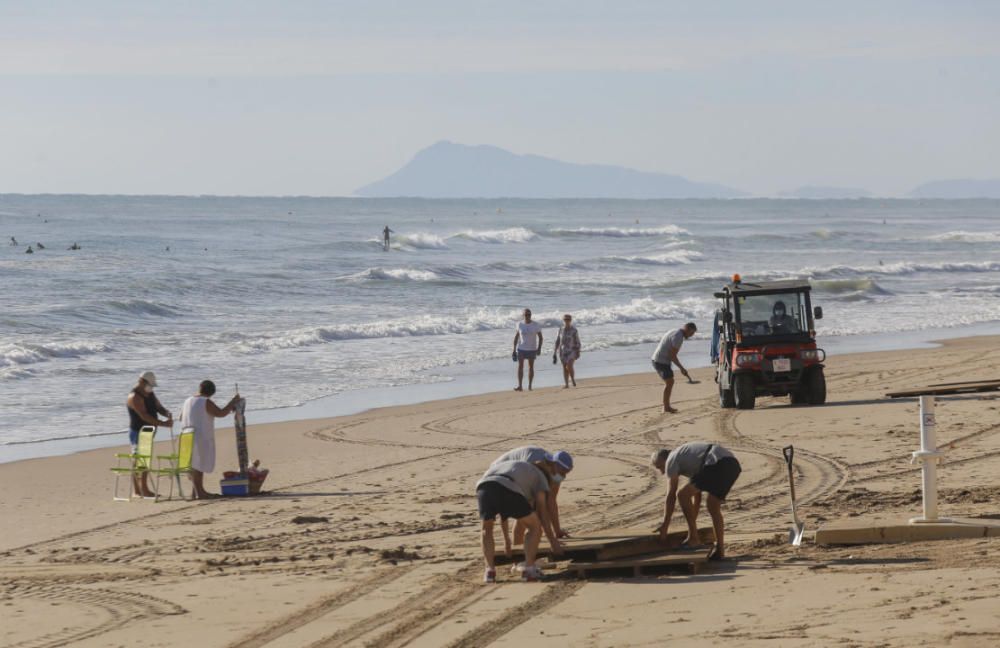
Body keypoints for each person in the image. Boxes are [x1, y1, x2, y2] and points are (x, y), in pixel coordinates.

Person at [651, 442, 741, 560]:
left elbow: (671, 495)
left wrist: (665, 525)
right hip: (732, 465)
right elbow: (696, 496)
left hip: (716, 462)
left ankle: (693, 539)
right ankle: (720, 551)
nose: (663, 472)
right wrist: (692, 523)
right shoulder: (687, 458)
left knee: (681, 494)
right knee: (712, 506)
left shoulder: (671, 459)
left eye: (660, 467)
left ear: (664, 459)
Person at [476, 459, 563, 583]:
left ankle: (489, 571)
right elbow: (543, 512)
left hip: (483, 486)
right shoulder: (540, 477)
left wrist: (507, 541)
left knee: (486, 529)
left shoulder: (515, 468)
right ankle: (529, 569)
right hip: (507, 487)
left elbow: (503, 512)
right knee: (535, 527)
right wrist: (553, 541)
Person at [492, 447, 574, 547]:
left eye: (566, 473)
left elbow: (551, 501)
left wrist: (557, 530)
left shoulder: (555, 473)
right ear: (554, 464)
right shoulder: (532, 465)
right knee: (525, 514)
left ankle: (527, 555)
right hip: (500, 473)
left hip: (519, 475)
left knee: (536, 512)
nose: (563, 476)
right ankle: (519, 555)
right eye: (562, 472)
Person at [180, 380, 241, 499]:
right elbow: (221, 413)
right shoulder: (205, 401)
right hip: (199, 435)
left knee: (193, 463)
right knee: (198, 465)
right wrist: (233, 401)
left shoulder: (187, 400)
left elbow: (181, 417)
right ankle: (200, 492)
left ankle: (196, 491)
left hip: (186, 434)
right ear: (211, 393)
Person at [125, 371, 173, 497]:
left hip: (148, 431)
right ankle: (141, 489)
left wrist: (167, 413)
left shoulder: (150, 393)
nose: (150, 388)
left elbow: (158, 407)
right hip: (138, 432)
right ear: (141, 382)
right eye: (149, 385)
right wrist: (163, 424)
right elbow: (144, 416)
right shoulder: (134, 397)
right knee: (141, 460)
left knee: (144, 459)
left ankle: (140, 489)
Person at [651, 322, 696, 413]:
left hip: (658, 359)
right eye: (691, 333)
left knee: (669, 382)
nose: (691, 335)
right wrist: (681, 368)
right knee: (670, 382)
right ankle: (666, 407)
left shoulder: (674, 331)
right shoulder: (678, 337)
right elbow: (672, 356)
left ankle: (666, 406)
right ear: (687, 329)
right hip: (660, 361)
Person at [512, 308, 543, 391]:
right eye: (526, 314)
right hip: (521, 348)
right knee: (520, 367)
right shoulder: (519, 324)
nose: (527, 316)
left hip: (532, 349)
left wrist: (539, 348)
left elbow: (540, 337)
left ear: (531, 315)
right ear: (523, 315)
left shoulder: (535, 325)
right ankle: (520, 386)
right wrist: (514, 349)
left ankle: (530, 386)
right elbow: (516, 337)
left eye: (529, 314)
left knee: (531, 367)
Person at [553, 314, 581, 388]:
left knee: (569, 366)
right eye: (565, 319)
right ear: (563, 320)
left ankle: (572, 379)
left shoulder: (574, 330)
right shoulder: (561, 329)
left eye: (568, 319)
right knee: (564, 367)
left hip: (572, 350)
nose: (567, 321)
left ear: (570, 320)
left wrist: (578, 351)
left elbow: (577, 341)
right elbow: (557, 341)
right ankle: (566, 384)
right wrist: (554, 352)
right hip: (562, 351)